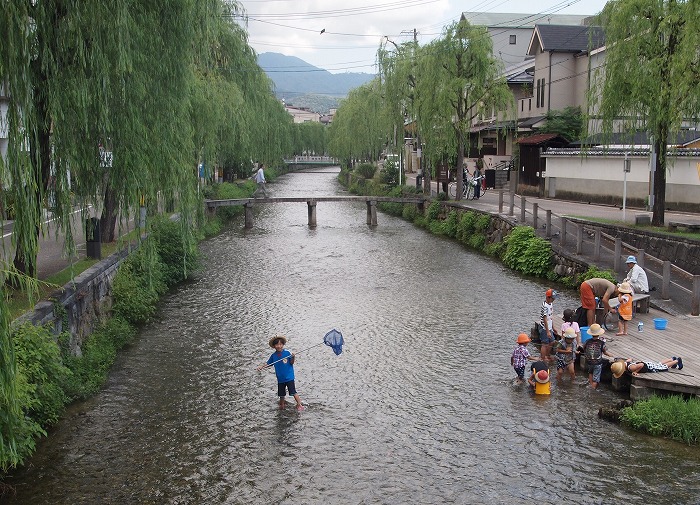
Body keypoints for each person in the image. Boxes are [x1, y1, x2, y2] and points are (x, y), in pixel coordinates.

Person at [257, 335, 304, 411]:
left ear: (283, 345)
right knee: (281, 394)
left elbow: (291, 363)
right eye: (277, 344)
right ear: (274, 346)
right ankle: (282, 405)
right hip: (280, 379)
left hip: (289, 377)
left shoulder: (287, 353)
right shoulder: (273, 356)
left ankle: (299, 404)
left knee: (293, 392)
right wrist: (262, 366)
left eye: (280, 344)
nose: (279, 346)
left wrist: (293, 357)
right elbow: (269, 363)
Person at [581, 324, 614, 389]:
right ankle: (593, 389)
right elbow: (604, 351)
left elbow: (583, 348)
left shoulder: (587, 341)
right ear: (599, 334)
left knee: (590, 372)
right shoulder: (601, 343)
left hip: (589, 361)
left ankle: (590, 385)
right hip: (597, 363)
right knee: (596, 378)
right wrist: (609, 355)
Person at [611, 356, 683, 378]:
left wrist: (635, 372)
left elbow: (641, 365)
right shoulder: (626, 363)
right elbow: (629, 359)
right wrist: (631, 360)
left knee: (662, 367)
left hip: (648, 367)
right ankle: (671, 359)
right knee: (658, 363)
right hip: (646, 363)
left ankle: (677, 361)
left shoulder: (631, 368)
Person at [538, 289, 558, 362]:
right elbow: (545, 319)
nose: (553, 300)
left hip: (549, 327)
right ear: (548, 297)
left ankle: (547, 355)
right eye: (552, 298)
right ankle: (543, 358)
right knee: (544, 343)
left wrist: (553, 327)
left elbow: (550, 317)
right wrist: (547, 331)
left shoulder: (550, 304)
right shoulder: (545, 306)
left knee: (552, 341)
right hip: (544, 328)